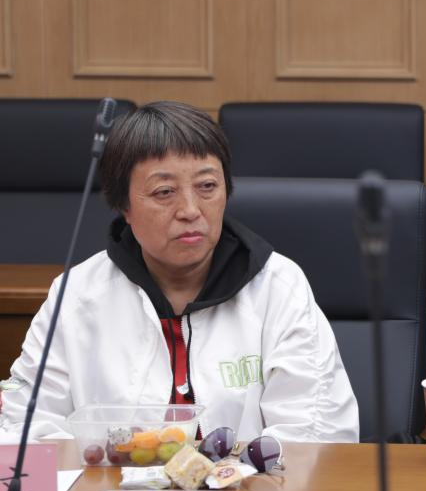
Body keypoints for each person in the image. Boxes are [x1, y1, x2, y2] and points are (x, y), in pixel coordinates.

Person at [0, 101, 359, 442]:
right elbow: (20, 428)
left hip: (253, 487)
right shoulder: (77, 295)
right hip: (107, 487)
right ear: (123, 205)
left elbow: (319, 436)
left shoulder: (278, 287)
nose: (190, 209)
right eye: (164, 192)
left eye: (207, 187)